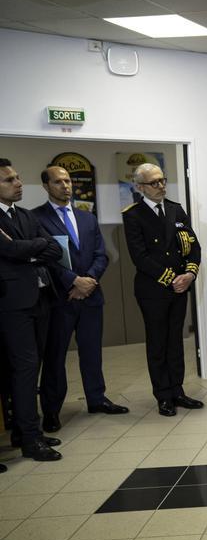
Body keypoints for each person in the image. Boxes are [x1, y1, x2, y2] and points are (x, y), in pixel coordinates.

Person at [34, 166, 128, 426]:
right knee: (55, 356)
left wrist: (88, 281)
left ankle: (96, 399)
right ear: (46, 186)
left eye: (68, 181)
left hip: (90, 296)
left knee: (91, 352)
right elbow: (45, 260)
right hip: (59, 299)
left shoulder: (86, 218)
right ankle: (52, 410)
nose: (65, 186)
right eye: (58, 182)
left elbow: (101, 255)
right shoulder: (36, 219)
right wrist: (72, 281)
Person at [122, 163, 205, 418]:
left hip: (180, 287)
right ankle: (163, 395)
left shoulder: (175, 209)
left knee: (175, 341)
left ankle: (177, 390)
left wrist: (189, 274)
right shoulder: (133, 215)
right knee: (158, 342)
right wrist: (171, 279)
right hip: (153, 290)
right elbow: (140, 257)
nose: (160, 186)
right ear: (139, 187)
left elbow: (193, 247)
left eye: (162, 180)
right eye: (154, 183)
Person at [0, 159, 63, 463]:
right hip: (13, 305)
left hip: (41, 299)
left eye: (17, 177)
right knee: (24, 371)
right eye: (9, 180)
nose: (18, 183)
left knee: (33, 367)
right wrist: (34, 249)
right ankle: (30, 438)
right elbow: (8, 251)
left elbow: (54, 250)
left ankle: (25, 429)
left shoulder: (24, 215)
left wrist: (29, 249)